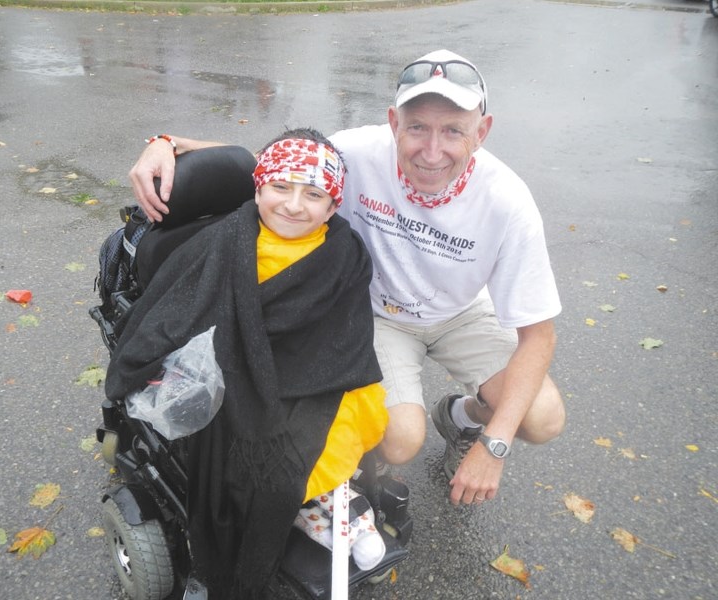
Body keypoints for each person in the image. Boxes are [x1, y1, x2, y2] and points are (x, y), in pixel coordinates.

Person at [127, 49, 566, 509]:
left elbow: (538, 336)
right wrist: (164, 140)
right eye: (417, 127)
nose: (432, 151)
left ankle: (464, 416)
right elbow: (268, 162)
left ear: (482, 131)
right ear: (394, 122)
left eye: (453, 130)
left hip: (460, 312)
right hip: (377, 314)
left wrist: (493, 445)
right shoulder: (355, 151)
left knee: (542, 418)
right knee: (400, 441)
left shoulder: (508, 201)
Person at [106, 128, 388, 599]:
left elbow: (347, 333)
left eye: (314, 195)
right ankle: (294, 521)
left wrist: (309, 375)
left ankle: (326, 503)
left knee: (345, 425)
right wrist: (163, 140)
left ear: (334, 205)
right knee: (262, 465)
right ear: (258, 187)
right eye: (280, 188)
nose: (294, 206)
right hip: (234, 371)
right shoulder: (220, 242)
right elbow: (175, 314)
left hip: (322, 373)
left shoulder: (344, 253)